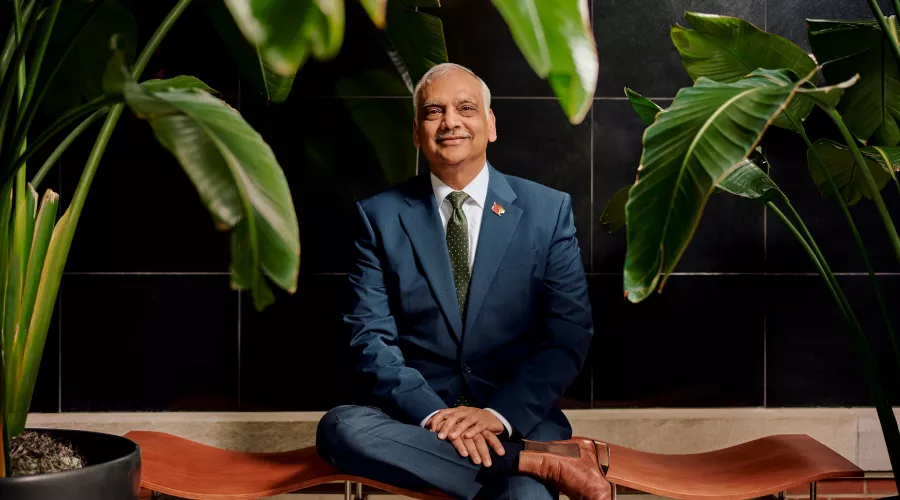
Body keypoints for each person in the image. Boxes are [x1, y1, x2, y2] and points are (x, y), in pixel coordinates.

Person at [317, 63, 610, 500]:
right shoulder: (379, 217)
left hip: (516, 420)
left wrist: (498, 415)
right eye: (434, 111)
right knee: (340, 428)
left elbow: (568, 334)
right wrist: (438, 418)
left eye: (466, 108)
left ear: (490, 125)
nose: (450, 121)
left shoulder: (547, 212)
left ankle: (515, 461)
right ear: (417, 132)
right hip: (418, 422)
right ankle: (529, 461)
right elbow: (369, 338)